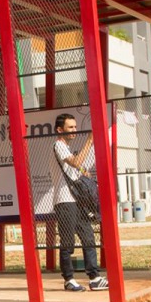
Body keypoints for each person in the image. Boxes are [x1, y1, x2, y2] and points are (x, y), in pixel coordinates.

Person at [53, 114, 108, 292]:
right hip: (65, 200)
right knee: (68, 241)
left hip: (78, 200)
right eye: (70, 127)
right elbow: (75, 162)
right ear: (60, 130)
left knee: (88, 237)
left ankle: (94, 277)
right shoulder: (59, 145)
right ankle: (68, 279)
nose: (74, 131)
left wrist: (85, 172)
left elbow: (78, 168)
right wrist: (89, 141)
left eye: (75, 127)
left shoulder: (67, 148)